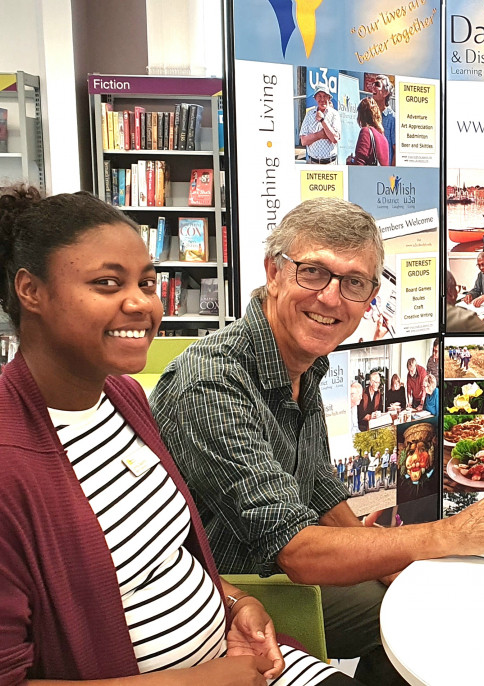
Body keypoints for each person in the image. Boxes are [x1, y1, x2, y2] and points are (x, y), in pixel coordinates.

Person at [150, 197, 484, 684]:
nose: (331, 298)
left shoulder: (302, 361)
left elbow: (320, 488)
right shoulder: (212, 380)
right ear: (272, 271)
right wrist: (447, 535)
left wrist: (390, 557)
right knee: (433, 618)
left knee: (423, 596)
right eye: (313, 273)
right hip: (236, 597)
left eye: (353, 283)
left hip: (277, 573)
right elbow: (295, 551)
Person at [0, 185, 353, 685]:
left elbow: (169, 551)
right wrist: (204, 681)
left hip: (243, 655)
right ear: (30, 291)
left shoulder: (122, 400)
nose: (140, 304)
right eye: (107, 283)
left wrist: (236, 602)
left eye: (147, 283)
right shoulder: (11, 460)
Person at [299, 84, 341, 164]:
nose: (322, 99)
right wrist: (320, 135)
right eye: (319, 96)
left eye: (325, 96)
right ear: (315, 98)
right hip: (312, 163)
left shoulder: (335, 114)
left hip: (330, 163)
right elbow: (303, 141)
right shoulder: (309, 114)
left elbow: (335, 138)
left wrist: (322, 120)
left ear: (329, 98)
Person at [346, 97, 389, 166]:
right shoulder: (383, 137)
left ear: (361, 116)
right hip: (381, 176)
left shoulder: (366, 132)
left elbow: (359, 165)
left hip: (368, 175)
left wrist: (350, 161)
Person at [370, 74, 396, 166]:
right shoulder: (370, 115)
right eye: (373, 84)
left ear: (386, 92)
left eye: (377, 84)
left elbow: (396, 151)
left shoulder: (392, 118)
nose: (373, 87)